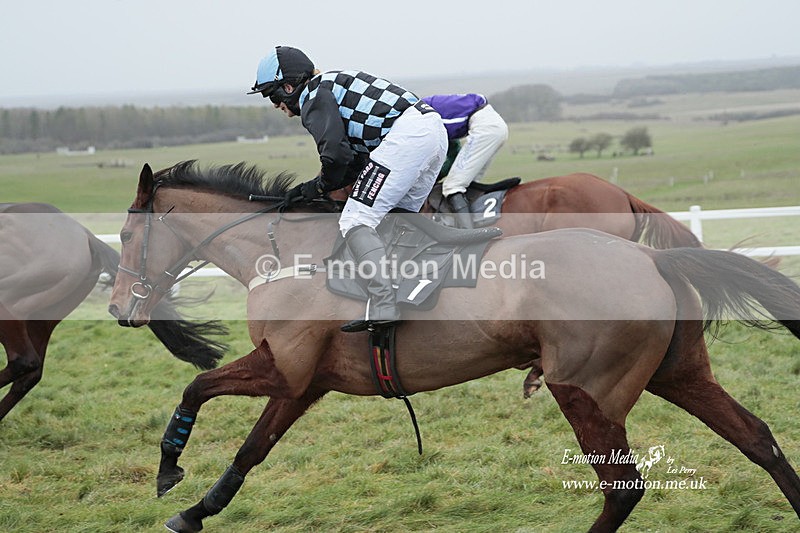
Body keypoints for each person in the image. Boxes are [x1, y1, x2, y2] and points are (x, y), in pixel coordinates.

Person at [248, 45, 447, 332]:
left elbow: (337, 158)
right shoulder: (329, 84)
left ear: (288, 87)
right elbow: (351, 163)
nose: (274, 104)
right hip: (431, 132)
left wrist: (312, 188)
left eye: (272, 94)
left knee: (355, 219)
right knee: (397, 219)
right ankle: (408, 288)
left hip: (408, 138)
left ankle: (384, 302)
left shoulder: (313, 96)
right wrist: (312, 187)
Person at [421, 94, 509, 228]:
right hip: (493, 124)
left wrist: (433, 179)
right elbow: (452, 150)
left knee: (453, 187)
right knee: (467, 185)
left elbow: (449, 151)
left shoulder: (419, 116)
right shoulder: (425, 107)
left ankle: (469, 235)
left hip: (484, 128)